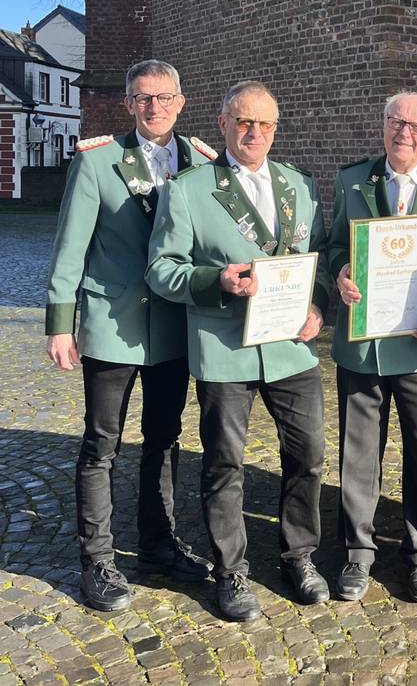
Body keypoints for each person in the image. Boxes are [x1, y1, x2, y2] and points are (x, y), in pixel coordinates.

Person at [146, 80, 332, 622]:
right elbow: (161, 269)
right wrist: (215, 280)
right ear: (223, 123)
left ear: (277, 129)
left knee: (309, 455)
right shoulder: (189, 189)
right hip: (224, 348)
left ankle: (299, 555)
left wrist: (317, 308)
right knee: (225, 465)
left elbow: (316, 258)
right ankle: (232, 572)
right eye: (244, 122)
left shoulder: (300, 185)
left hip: (290, 349)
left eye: (265, 124)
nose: (254, 133)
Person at [45, 59, 215, 611]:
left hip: (172, 325)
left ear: (181, 101)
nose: (155, 107)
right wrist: (59, 323)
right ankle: (97, 558)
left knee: (164, 439)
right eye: (143, 98)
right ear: (127, 104)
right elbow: (71, 246)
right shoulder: (98, 163)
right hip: (111, 323)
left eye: (164, 97)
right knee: (101, 444)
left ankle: (158, 543)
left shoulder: (199, 162)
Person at [329, 91, 417, 603]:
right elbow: (335, 244)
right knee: (359, 454)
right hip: (363, 344)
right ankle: (358, 553)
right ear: (382, 125)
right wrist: (340, 272)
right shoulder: (351, 179)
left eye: (416, 126)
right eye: (394, 121)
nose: (403, 132)